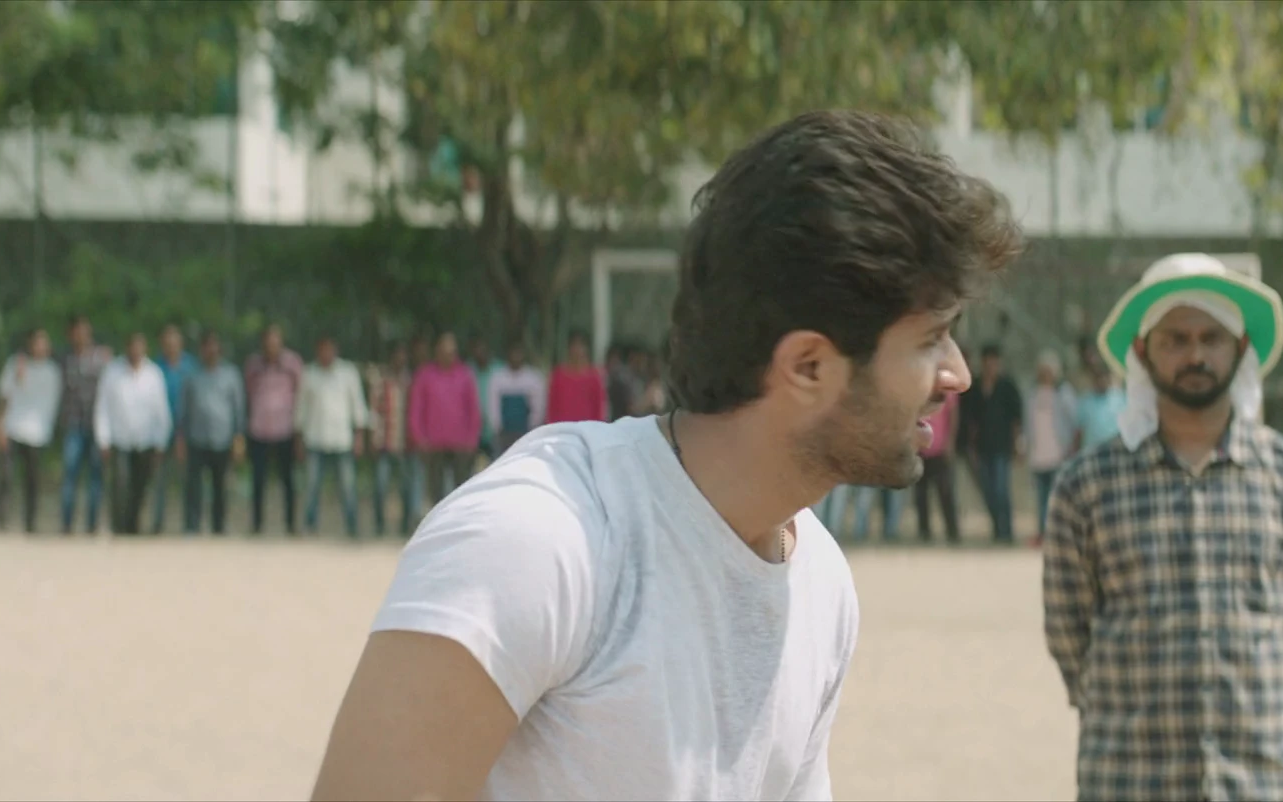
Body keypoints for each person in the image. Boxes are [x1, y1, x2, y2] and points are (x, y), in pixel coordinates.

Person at [311, 110, 1021, 802]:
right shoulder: (543, 541)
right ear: (807, 366)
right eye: (931, 339)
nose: (956, 374)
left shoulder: (821, 583)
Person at [1043, 253, 1283, 802]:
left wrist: (1266, 689)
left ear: (1241, 347)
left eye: (1211, 338)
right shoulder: (1085, 487)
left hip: (1261, 778)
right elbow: (1069, 634)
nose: (1195, 355)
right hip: (1129, 778)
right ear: (1142, 352)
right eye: (1175, 340)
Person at [96, 333, 171, 536]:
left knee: (140, 486)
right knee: (120, 485)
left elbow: (161, 411)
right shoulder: (112, 372)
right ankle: (118, 527)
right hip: (120, 439)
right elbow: (103, 407)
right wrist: (103, 438)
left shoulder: (153, 374)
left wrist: (160, 441)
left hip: (145, 441)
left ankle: (133, 527)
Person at [297, 335, 369, 537]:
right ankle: (310, 525)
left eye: (329, 349)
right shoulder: (309, 374)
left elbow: (357, 406)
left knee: (347, 486)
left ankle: (352, 526)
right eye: (322, 349)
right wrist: (299, 438)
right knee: (312, 486)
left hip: (341, 440)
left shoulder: (347, 373)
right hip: (315, 438)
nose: (326, 354)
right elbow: (301, 408)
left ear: (335, 350)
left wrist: (359, 437)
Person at [0, 328, 61, 533]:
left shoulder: (52, 371)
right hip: (13, 427)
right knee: (6, 476)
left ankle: (30, 522)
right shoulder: (16, 364)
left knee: (32, 480)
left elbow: (53, 404)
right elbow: (5, 396)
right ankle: (2, 520)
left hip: (37, 433)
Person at [179, 332, 245, 535]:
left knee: (220, 486)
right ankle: (192, 526)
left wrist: (239, 438)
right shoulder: (192, 376)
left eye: (214, 346)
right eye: (207, 346)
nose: (210, 350)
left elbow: (238, 408)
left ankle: (219, 527)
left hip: (222, 439)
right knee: (194, 486)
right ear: (202, 350)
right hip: (196, 438)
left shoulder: (231, 375)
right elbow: (184, 408)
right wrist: (181, 438)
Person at [408, 332, 481, 507]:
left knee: (461, 493)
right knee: (437, 495)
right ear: (437, 351)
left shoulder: (465, 375)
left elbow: (473, 410)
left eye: (452, 352)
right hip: (433, 446)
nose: (449, 355)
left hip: (461, 446)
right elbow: (416, 409)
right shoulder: (425, 375)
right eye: (445, 351)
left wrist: (472, 439)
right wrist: (419, 439)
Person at [959, 343, 1021, 543]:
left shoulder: (1007, 386)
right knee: (988, 491)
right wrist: (971, 446)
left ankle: (1007, 531)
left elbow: (1016, 418)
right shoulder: (976, 387)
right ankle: (997, 528)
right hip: (982, 447)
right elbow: (971, 421)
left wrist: (1017, 443)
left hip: (1002, 446)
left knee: (1001, 489)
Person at [245, 324, 303, 535]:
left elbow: (299, 391)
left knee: (287, 480)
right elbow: (249, 392)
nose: (271, 346)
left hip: (284, 429)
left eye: (275, 342)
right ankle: (257, 524)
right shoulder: (254, 365)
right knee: (258, 480)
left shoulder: (292, 363)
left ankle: (290, 524)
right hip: (259, 429)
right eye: (268, 342)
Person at [57, 315, 110, 535]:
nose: (81, 335)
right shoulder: (64, 358)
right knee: (70, 474)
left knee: (96, 477)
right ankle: (67, 524)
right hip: (73, 424)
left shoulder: (101, 358)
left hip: (97, 425)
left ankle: (92, 525)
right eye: (77, 331)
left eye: (84, 331)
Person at [362, 341, 418, 536]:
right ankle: (379, 525)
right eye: (397, 355)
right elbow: (373, 412)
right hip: (384, 443)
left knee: (406, 488)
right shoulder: (381, 381)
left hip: (405, 443)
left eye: (403, 356)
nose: (400, 359)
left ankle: (405, 526)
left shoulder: (411, 382)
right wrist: (372, 439)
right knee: (380, 486)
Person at [148, 323, 198, 533]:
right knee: (159, 480)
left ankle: (190, 525)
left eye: (174, 342)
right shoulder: (154, 367)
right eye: (167, 343)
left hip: (185, 432)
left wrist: (184, 433)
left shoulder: (191, 367)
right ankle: (158, 523)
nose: (171, 346)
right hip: (160, 432)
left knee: (188, 481)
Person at [1025, 350, 1077, 544]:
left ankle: (1058, 533)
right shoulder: (1032, 395)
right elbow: (1028, 424)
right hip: (1038, 456)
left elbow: (1073, 421)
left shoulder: (1064, 394)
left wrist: (1070, 446)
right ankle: (1042, 533)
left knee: (1056, 499)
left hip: (1058, 455)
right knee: (1041, 499)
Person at [914, 391, 961, 544]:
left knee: (945, 492)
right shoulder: (919, 387)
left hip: (940, 450)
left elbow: (953, 415)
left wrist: (950, 442)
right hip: (920, 450)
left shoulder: (946, 389)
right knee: (921, 494)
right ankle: (924, 531)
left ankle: (952, 531)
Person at [487, 341, 546, 456]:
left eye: (518, 353)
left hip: (525, 433)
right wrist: (497, 428)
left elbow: (538, 407)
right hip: (504, 434)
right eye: (513, 353)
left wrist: (531, 428)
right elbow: (493, 407)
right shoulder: (497, 378)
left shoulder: (533, 378)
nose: (515, 357)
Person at [545, 332, 608, 424]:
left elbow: (599, 407)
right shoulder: (558, 375)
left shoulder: (594, 377)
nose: (577, 350)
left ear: (586, 349)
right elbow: (552, 406)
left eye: (580, 346)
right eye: (574, 346)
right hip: (562, 427)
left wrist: (598, 427)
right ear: (568, 348)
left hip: (587, 427)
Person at [1073, 359, 1125, 455]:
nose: (1102, 381)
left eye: (1104, 377)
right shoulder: (1086, 400)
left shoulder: (1119, 398)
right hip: (1091, 453)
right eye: (1098, 378)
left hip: (1115, 452)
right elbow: (1079, 431)